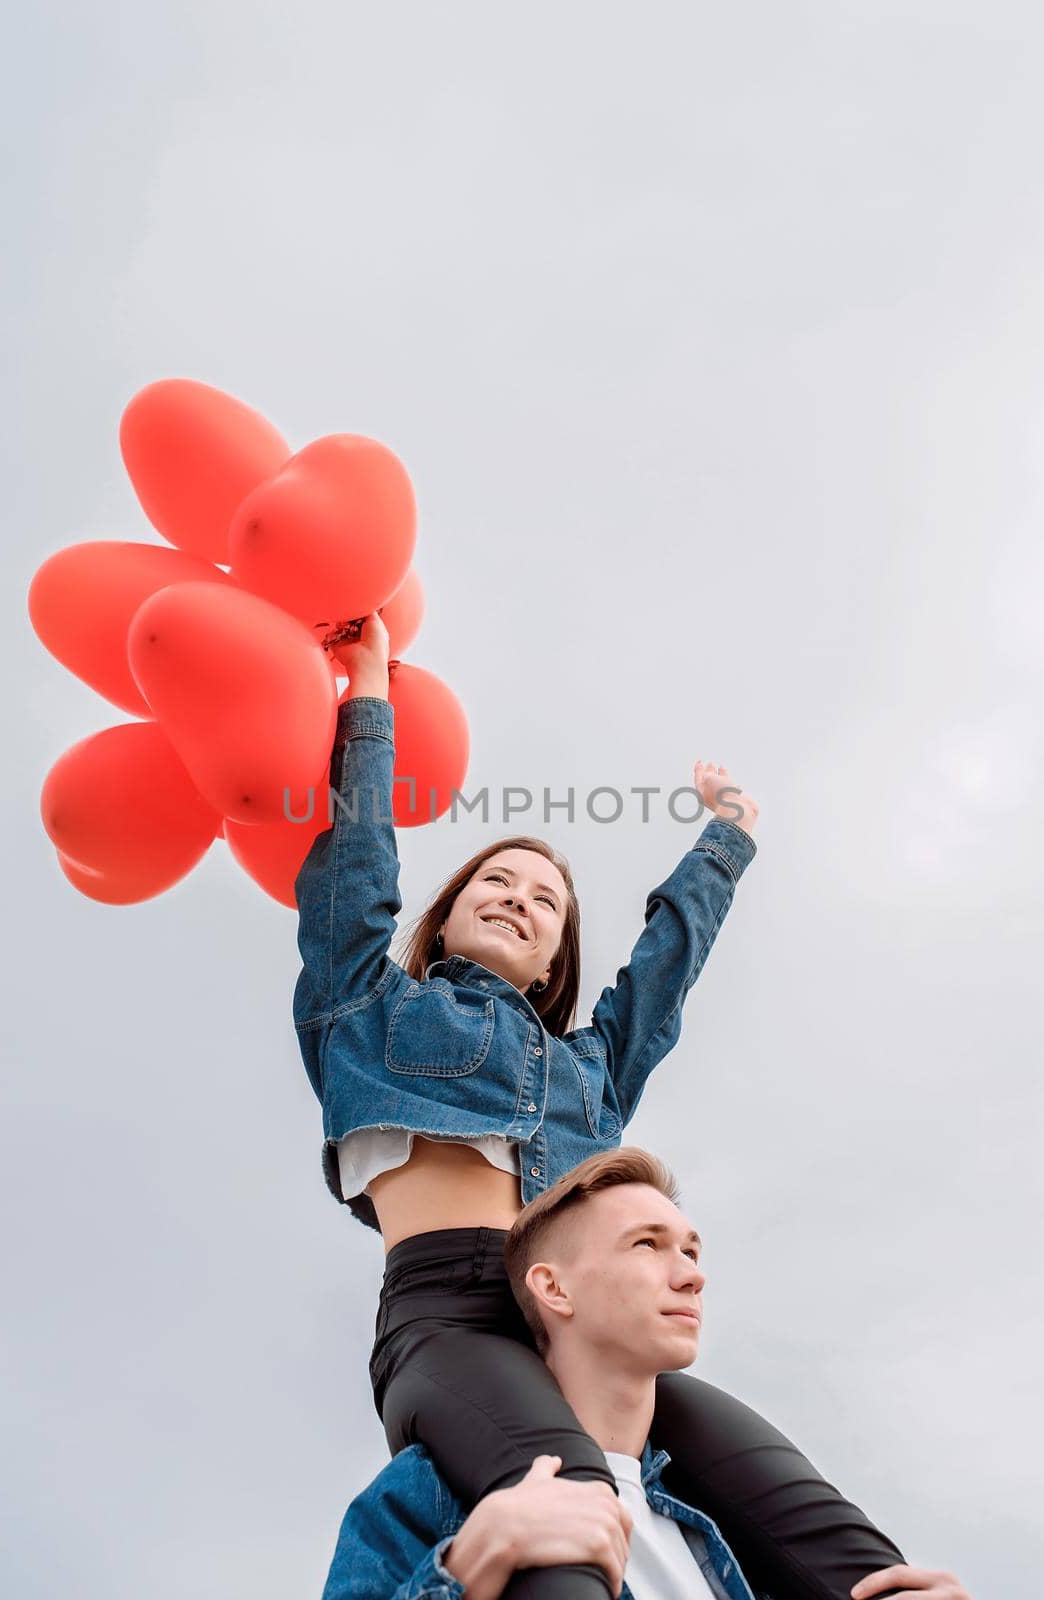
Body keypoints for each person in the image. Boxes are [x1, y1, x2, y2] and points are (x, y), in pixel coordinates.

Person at [293, 612, 905, 1599]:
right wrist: (367, 696)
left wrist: (729, 837)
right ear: (444, 912)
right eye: (495, 879)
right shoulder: (367, 1006)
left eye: (547, 902)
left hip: (589, 1326)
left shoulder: (590, 1070)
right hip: (450, 1323)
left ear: (553, 961)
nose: (520, 898)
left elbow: (662, 976)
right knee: (572, 1499)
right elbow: (354, 859)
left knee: (815, 1522)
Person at [322, 1149, 972, 1600]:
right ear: (553, 1288)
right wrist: (462, 1573)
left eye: (691, 1249)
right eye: (647, 1245)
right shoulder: (431, 1496)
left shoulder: (740, 1522)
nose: (692, 1273)